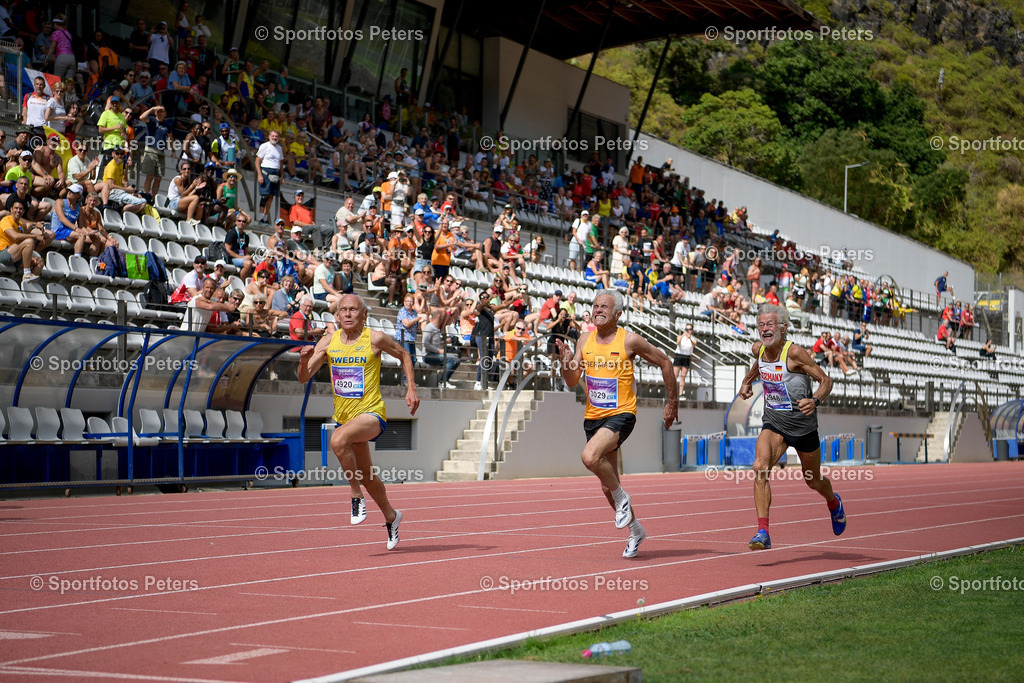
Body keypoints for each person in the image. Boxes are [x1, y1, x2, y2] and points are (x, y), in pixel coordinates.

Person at [554, 290, 677, 558]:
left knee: (589, 457)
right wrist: (565, 362)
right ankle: (636, 531)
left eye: (604, 307)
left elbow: (665, 362)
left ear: (618, 314)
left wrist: (672, 403)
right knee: (606, 486)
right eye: (595, 305)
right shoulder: (584, 339)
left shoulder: (630, 340)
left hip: (622, 414)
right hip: (593, 417)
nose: (598, 310)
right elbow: (572, 380)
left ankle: (623, 498)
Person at [298, 294, 420, 550]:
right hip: (346, 418)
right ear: (337, 315)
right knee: (367, 476)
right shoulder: (328, 341)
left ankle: (355, 495)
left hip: (372, 414)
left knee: (337, 440)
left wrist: (411, 389)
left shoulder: (375, 338)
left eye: (353, 310)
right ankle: (391, 515)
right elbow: (304, 377)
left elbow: (404, 355)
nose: (348, 314)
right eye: (343, 310)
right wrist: (303, 360)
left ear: (364, 314)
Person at [737, 304, 845, 551]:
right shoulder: (758, 349)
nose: (765, 329)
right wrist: (746, 382)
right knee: (760, 466)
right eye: (761, 325)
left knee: (813, 480)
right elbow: (758, 365)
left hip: (803, 427)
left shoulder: (795, 353)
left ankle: (833, 502)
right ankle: (763, 532)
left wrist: (815, 400)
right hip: (774, 422)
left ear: (783, 328)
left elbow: (826, 381)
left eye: (770, 324)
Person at [674, 324, 696, 398]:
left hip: (687, 357)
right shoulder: (680, 337)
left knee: (683, 376)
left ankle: (681, 393)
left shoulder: (693, 339)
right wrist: (683, 335)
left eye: (690, 329)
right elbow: (677, 343)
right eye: (687, 329)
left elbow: (694, 345)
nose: (688, 331)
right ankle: (673, 392)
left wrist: (689, 338)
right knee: (675, 375)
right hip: (679, 355)